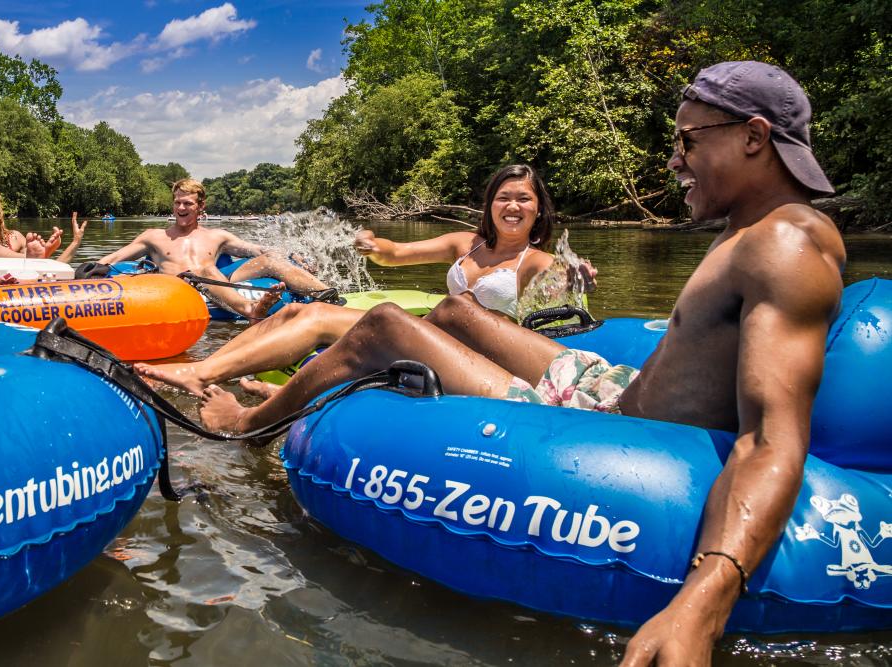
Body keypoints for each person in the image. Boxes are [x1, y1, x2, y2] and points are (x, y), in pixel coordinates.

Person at [198, 61, 846, 664]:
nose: (676, 160)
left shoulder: (784, 246)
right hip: (609, 383)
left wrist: (702, 606)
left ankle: (247, 425)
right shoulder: (765, 231)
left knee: (384, 326)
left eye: (690, 140)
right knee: (453, 314)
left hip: (614, 422)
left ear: (755, 137)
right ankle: (340, 378)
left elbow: (770, 438)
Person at [135, 164, 594, 396]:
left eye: (523, 199)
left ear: (538, 209)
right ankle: (207, 369)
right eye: (503, 197)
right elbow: (394, 256)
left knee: (320, 322)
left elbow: (558, 306)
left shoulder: (537, 261)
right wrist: (372, 242)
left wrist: (577, 280)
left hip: (472, 353)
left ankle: (204, 373)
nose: (512, 206)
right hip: (436, 332)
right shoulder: (465, 243)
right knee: (300, 309)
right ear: (490, 204)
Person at [98, 178, 329, 319]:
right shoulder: (154, 236)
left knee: (268, 259)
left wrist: (291, 256)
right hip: (179, 287)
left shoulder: (217, 236)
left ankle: (327, 296)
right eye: (177, 202)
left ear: (200, 206)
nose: (181, 207)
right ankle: (250, 310)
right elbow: (117, 256)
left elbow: (255, 250)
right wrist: (93, 269)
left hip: (220, 281)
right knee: (203, 271)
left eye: (187, 203)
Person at [0, 182, 86, 263]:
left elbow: (46, 275)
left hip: (12, 290)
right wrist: (30, 259)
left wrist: (74, 243)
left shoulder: (15, 238)